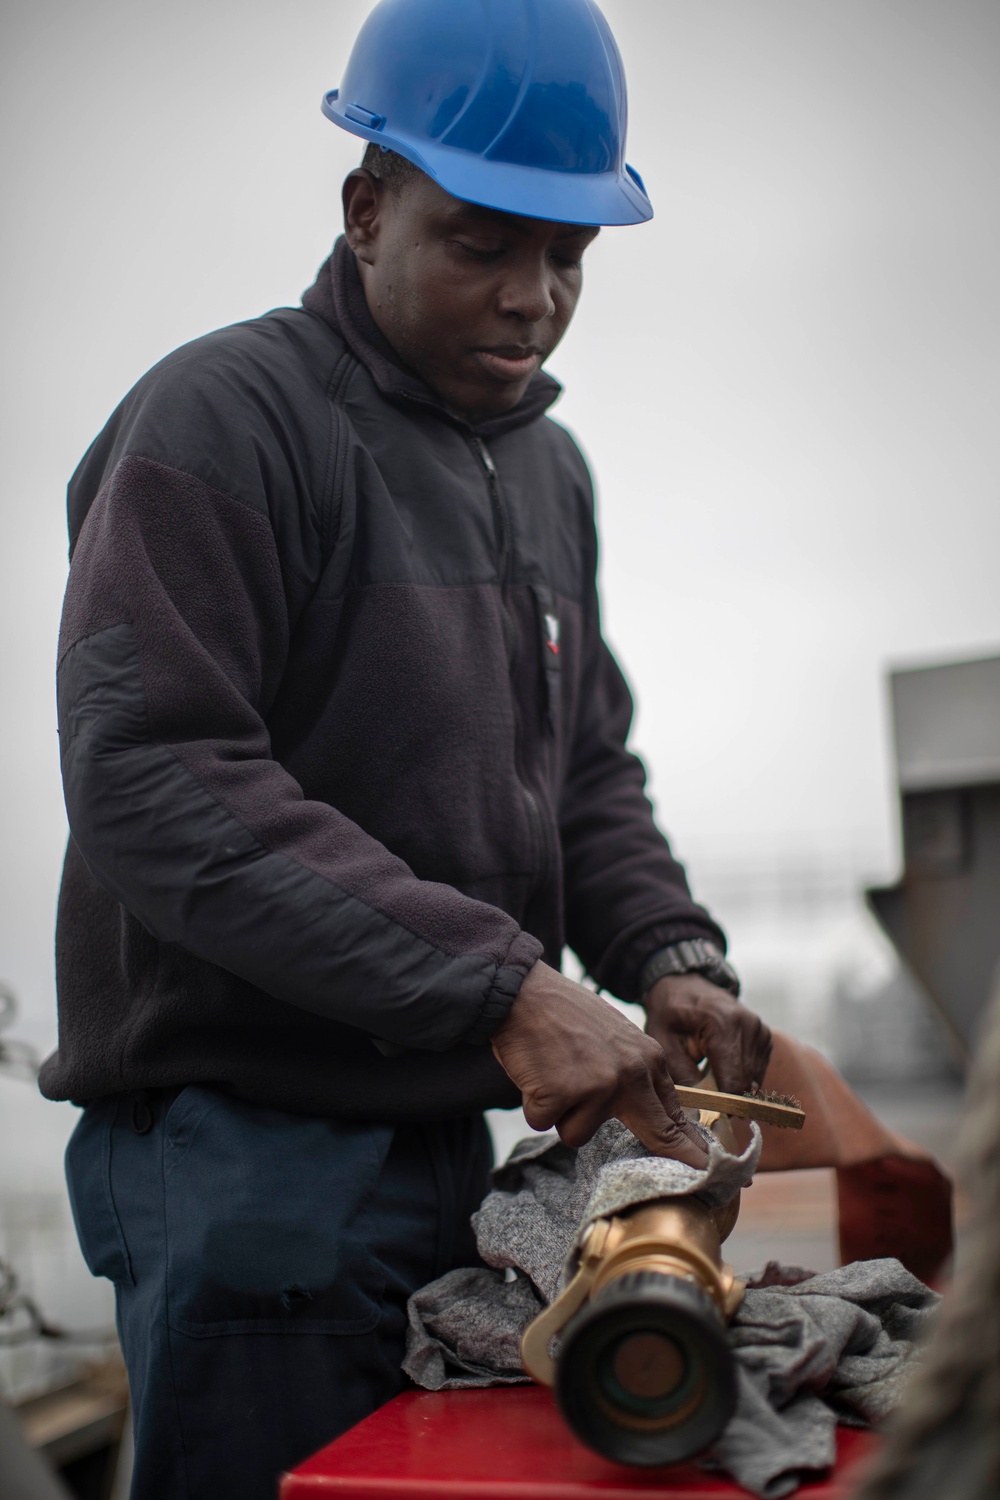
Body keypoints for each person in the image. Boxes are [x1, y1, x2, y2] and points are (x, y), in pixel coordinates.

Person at [43, 1, 771, 1494]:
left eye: (568, 257)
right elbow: (155, 771)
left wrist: (670, 953)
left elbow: (584, 773)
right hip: (240, 1153)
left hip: (451, 1147)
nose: (532, 298)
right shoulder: (221, 422)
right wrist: (502, 986)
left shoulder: (545, 472)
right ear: (367, 207)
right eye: (483, 242)